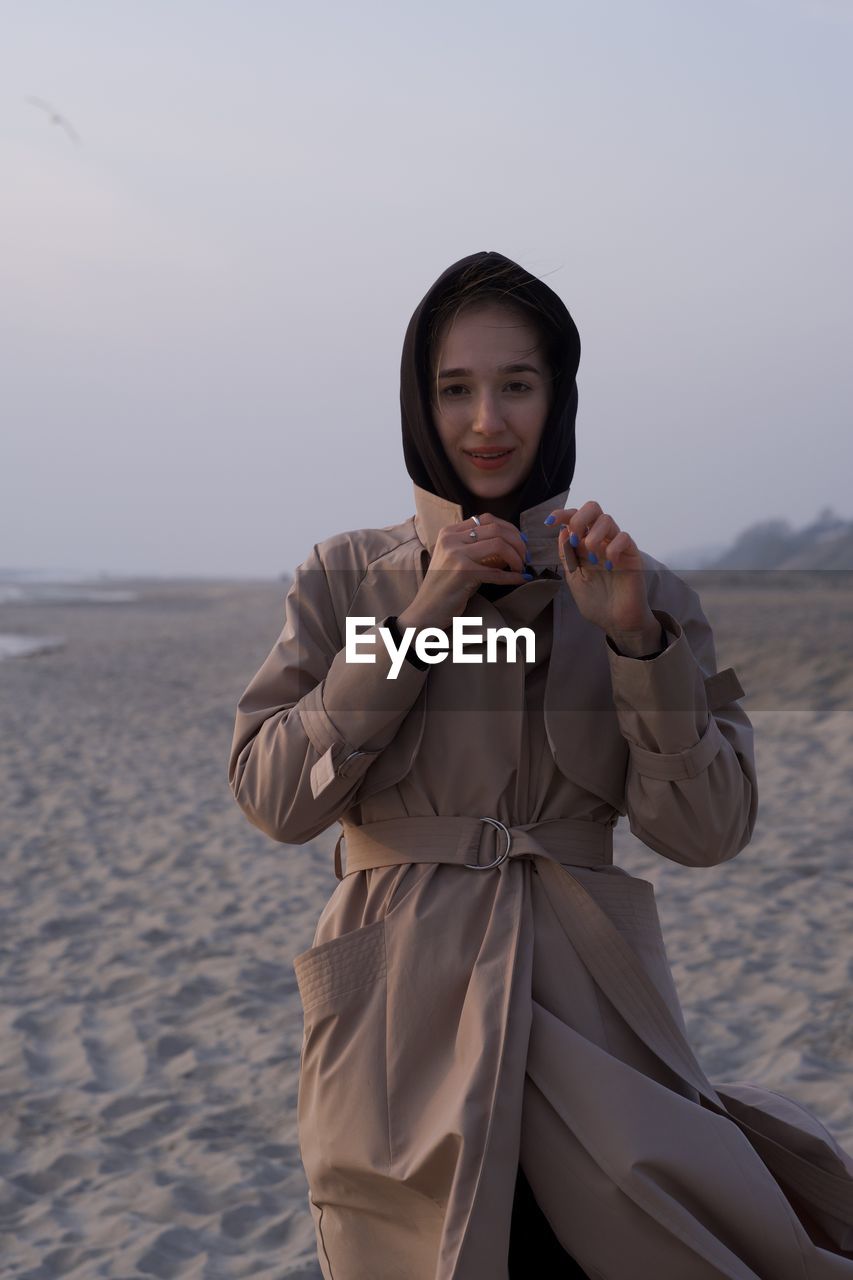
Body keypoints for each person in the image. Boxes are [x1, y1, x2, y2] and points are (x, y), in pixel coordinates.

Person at [228, 251, 853, 1279]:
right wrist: (421, 618)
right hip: (396, 1011)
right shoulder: (343, 576)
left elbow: (706, 830)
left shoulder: (639, 588)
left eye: (516, 384)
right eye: (455, 388)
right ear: (417, 402)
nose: (486, 421)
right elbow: (271, 794)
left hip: (590, 1010)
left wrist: (634, 643)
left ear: (558, 396)